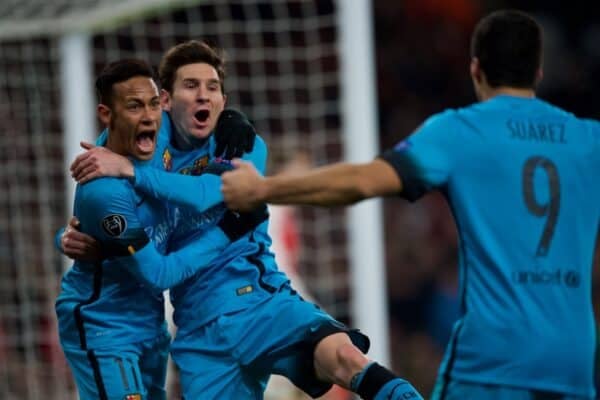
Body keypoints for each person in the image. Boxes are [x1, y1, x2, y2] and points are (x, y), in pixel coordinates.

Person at [221, 9, 600, 400]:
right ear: (537, 71)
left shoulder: (460, 130)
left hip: (496, 358)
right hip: (573, 357)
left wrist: (262, 189)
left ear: (476, 69)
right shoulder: (589, 139)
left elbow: (360, 181)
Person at [63, 40, 423, 400]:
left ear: (223, 99)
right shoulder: (144, 145)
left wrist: (133, 174)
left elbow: (212, 192)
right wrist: (72, 235)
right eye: (191, 86)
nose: (204, 95)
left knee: (345, 357)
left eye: (213, 87)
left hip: (258, 302)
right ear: (166, 102)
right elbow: (107, 197)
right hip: (197, 333)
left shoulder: (242, 144)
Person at [56, 58, 262, 400]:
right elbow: (158, 275)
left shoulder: (157, 136)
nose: (150, 116)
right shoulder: (105, 189)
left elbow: (194, 109)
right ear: (107, 115)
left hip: (150, 321)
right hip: (105, 324)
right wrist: (229, 230)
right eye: (135, 106)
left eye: (153, 104)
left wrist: (231, 117)